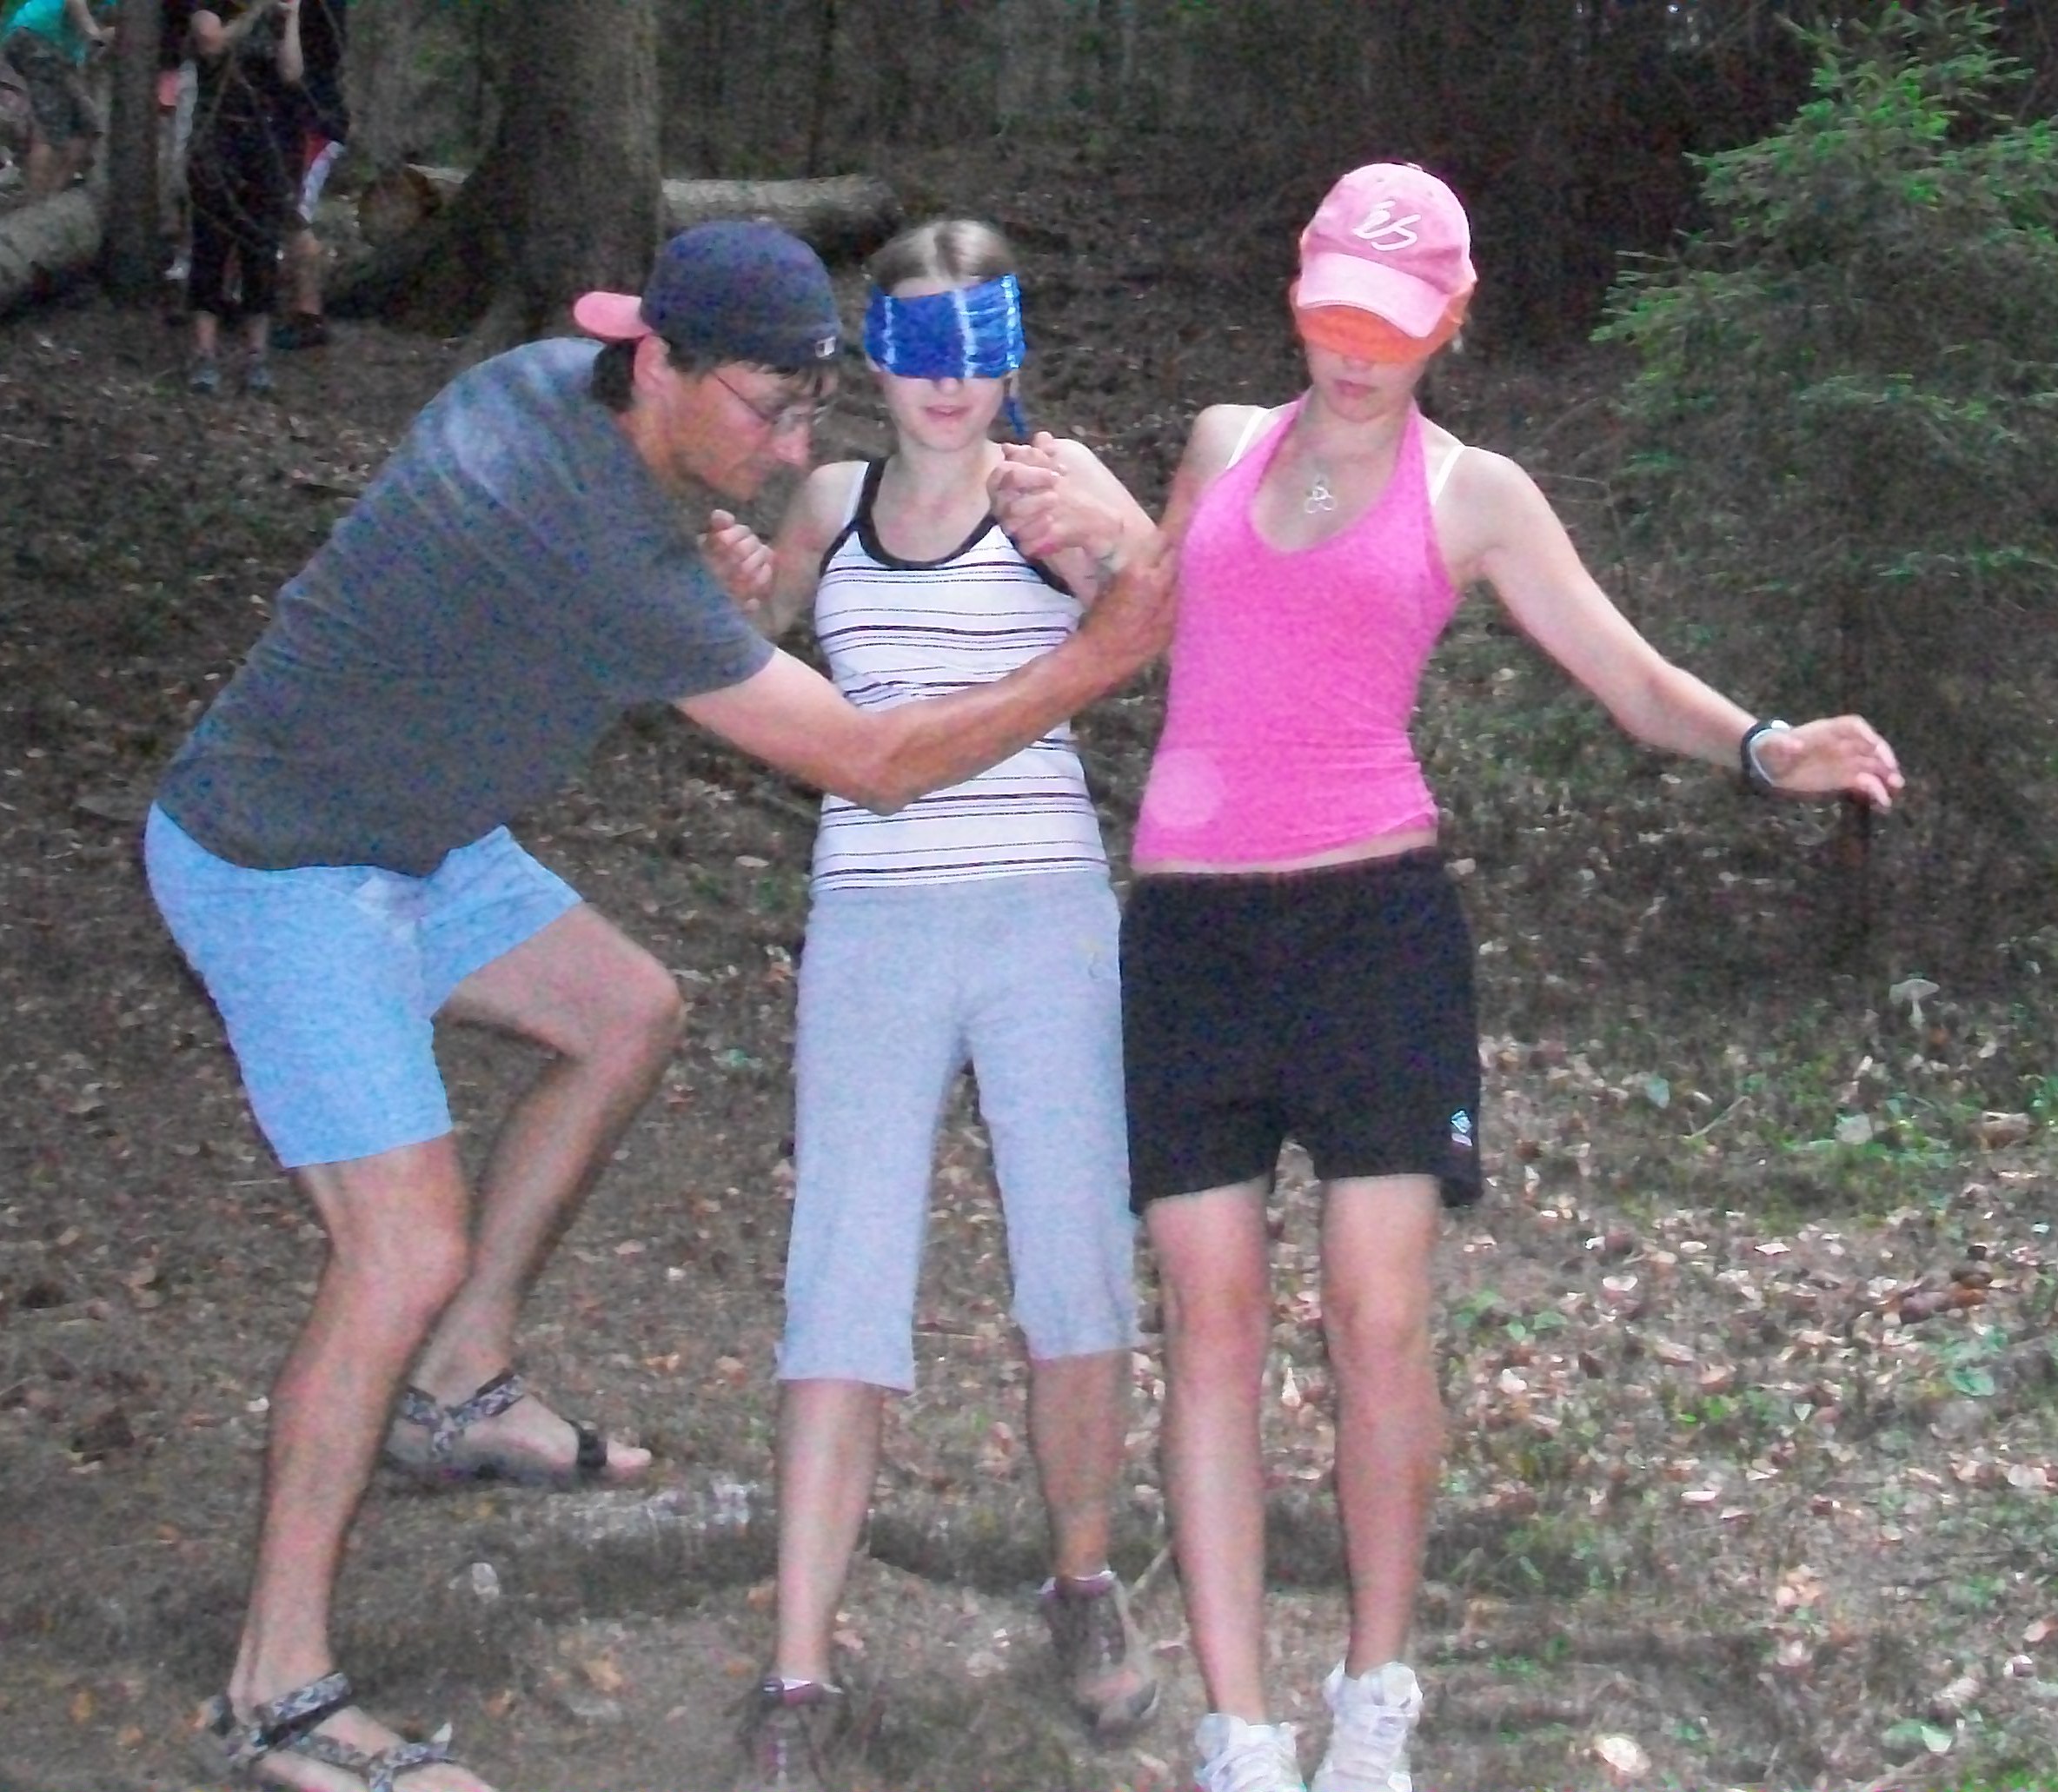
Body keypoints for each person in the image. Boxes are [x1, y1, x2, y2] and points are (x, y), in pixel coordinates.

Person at [144, 219, 1171, 1792]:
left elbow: (648, 617)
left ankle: (459, 1383)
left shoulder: (556, 390)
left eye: (810, 407)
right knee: (399, 1245)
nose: (793, 445)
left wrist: (724, 590)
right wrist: (1103, 654)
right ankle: (274, 1690)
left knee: (624, 1011)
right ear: (658, 362)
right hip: (280, 859)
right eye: (766, 408)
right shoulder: (586, 531)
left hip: (417, 833)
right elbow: (872, 761)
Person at [991, 163, 1903, 1792]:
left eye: (1395, 327)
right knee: (1210, 1321)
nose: (1358, 354)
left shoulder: (1474, 493)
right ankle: (1239, 1724)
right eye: (1337, 316)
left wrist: (1765, 746)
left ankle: (1373, 1696)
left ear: (1451, 323)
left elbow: (1627, 676)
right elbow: (1148, 626)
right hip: (1191, 933)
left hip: (1374, 930)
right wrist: (1086, 535)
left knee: (1379, 1314)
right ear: (1298, 293)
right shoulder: (1221, 442)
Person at [698, 219, 1160, 1789]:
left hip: (1044, 918)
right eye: (915, 346)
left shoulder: (1048, 493)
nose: (947, 383)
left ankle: (1083, 1580)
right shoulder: (831, 499)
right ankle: (798, 1665)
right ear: (871, 359)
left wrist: (1127, 534)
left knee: (1074, 1259)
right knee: (840, 1273)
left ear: (1011, 349)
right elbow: (765, 640)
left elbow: (1167, 619)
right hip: (873, 919)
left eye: (977, 345)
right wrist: (742, 588)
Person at [183, 0, 302, 396]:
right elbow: (212, 44)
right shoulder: (209, 8)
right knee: (210, 246)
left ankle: (257, 356)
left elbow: (291, 73)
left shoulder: (274, 17)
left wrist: (291, 17)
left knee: (261, 249)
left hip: (264, 142)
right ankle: (204, 354)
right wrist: (257, 10)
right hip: (217, 140)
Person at [270, 0, 342, 350]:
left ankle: (309, 314)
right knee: (287, 213)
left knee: (297, 215)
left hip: (312, 120)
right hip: (293, 119)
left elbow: (315, 57)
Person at [0, 0, 109, 200]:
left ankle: (53, 196)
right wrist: (92, 32)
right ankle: (37, 199)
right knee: (50, 131)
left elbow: (113, 32)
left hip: (60, 54)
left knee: (86, 128)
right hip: (36, 37)